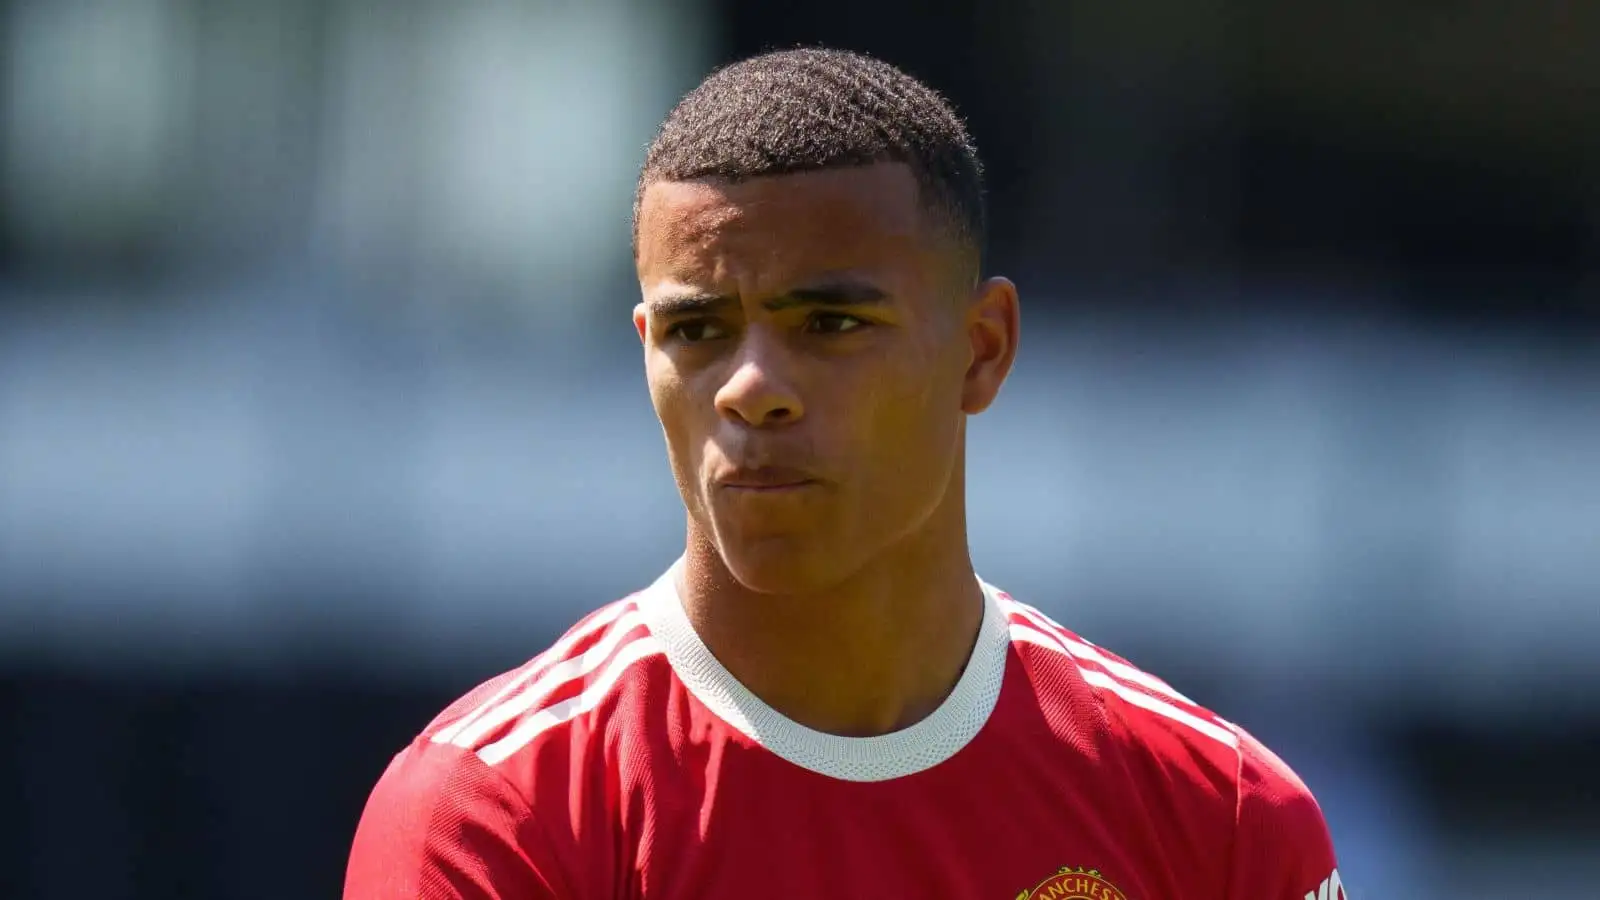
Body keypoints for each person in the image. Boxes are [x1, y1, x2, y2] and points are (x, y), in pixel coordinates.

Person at [343, 47, 1346, 900]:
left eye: (830, 324)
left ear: (981, 348)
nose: (748, 389)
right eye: (697, 331)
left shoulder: (1218, 820)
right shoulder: (493, 809)